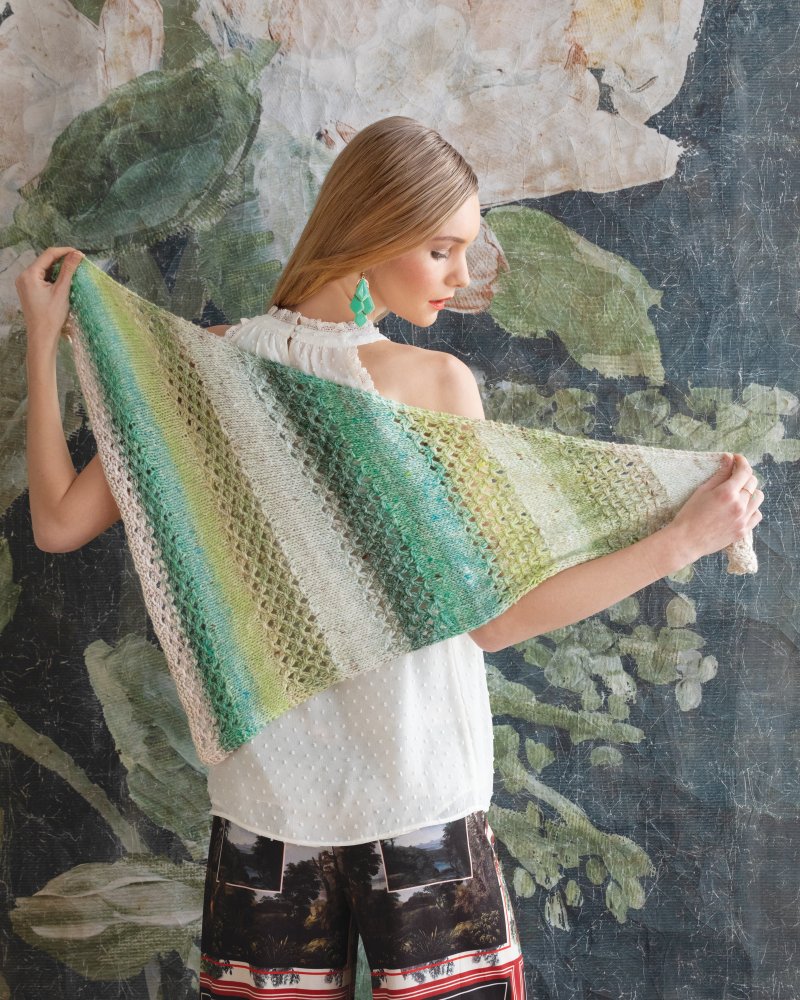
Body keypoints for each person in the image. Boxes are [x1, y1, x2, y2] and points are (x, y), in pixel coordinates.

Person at [17, 116, 762, 1000]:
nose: (461, 275)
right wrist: (681, 540)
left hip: (267, 811)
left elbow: (56, 521)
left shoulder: (203, 369)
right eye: (441, 249)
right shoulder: (435, 385)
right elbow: (495, 624)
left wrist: (40, 342)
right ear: (371, 233)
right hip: (420, 804)